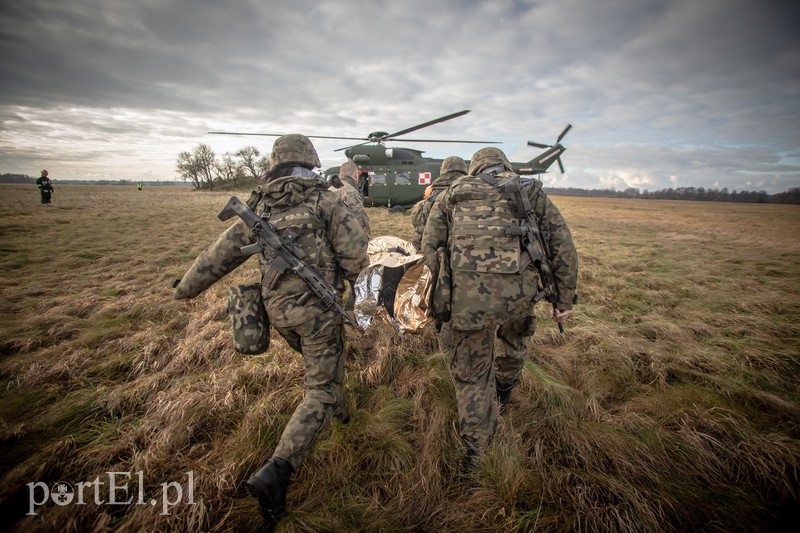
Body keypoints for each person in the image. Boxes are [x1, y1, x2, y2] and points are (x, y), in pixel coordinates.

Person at [420, 147, 578, 469]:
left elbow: (430, 247)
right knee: (514, 342)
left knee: (473, 377)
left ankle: (478, 453)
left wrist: (440, 297)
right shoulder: (529, 190)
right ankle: (504, 392)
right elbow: (563, 245)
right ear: (504, 164)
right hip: (518, 298)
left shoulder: (453, 193)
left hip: (466, 304)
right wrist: (563, 300)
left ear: (474, 168)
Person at [240, 135, 369, 528]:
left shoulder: (258, 205)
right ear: (311, 162)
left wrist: (184, 289)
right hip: (317, 313)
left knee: (326, 365)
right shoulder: (326, 200)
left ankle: (343, 417)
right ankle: (277, 472)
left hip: (279, 314)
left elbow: (223, 253)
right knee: (320, 388)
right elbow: (356, 258)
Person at [409, 156, 467, 251]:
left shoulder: (425, 204)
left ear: (443, 171)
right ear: (464, 170)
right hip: (462, 257)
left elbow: (418, 235)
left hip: (432, 258)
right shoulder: (471, 198)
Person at [329, 159, 370, 239]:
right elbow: (361, 224)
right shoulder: (350, 192)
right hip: (345, 242)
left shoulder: (329, 189)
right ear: (355, 175)